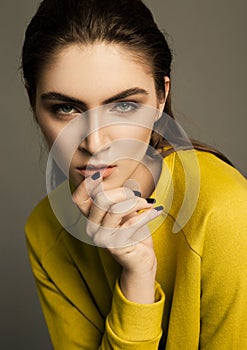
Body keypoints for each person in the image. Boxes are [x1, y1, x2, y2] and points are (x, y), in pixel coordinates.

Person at [22, 0, 247, 349]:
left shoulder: (227, 212)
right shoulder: (45, 230)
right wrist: (137, 280)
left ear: (161, 99)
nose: (96, 142)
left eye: (124, 105)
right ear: (33, 104)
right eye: (66, 108)